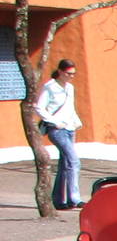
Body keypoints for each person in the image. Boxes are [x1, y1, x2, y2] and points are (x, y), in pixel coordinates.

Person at [35, 59, 83, 210]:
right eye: (68, 73)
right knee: (74, 161)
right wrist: (54, 121)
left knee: (65, 164)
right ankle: (75, 198)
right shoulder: (50, 87)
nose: (71, 76)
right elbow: (39, 108)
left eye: (73, 74)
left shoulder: (70, 88)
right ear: (61, 72)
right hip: (57, 129)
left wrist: (76, 121)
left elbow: (70, 108)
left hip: (70, 128)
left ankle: (59, 200)